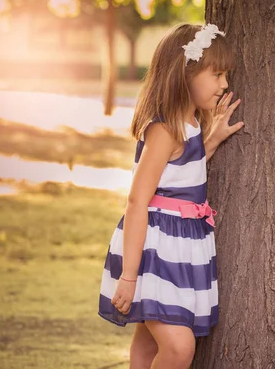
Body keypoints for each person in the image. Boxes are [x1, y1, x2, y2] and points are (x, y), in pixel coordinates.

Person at [98, 23, 244, 369]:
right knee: (179, 348)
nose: (224, 84)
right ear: (185, 73)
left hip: (183, 246)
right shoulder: (164, 129)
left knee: (149, 345)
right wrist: (129, 276)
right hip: (155, 248)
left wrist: (213, 139)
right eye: (218, 74)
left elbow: (181, 173)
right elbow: (137, 201)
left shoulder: (190, 123)